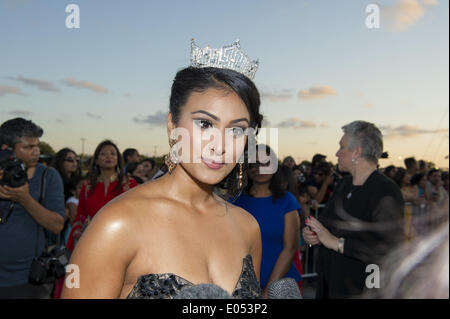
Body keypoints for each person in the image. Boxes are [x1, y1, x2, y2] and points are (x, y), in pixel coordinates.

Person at [62, 40, 264, 299]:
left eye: (236, 130)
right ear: (172, 125)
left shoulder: (248, 228)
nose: (220, 146)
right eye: (205, 124)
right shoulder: (118, 225)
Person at [303, 120, 404, 298]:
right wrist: (313, 235)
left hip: (361, 289)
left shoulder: (385, 191)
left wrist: (337, 243)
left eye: (342, 147)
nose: (337, 153)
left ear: (357, 152)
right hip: (330, 284)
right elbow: (326, 227)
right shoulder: (344, 184)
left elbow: (389, 248)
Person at [0, 118, 65, 298]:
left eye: (38, 145)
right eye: (29, 147)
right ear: (6, 149)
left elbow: (57, 225)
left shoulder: (48, 177)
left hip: (27, 280)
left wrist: (24, 199)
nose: (36, 151)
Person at [232, 144, 301, 298]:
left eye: (265, 162)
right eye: (253, 164)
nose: (259, 168)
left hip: (280, 287)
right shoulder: (234, 202)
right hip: (242, 287)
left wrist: (268, 291)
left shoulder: (287, 201)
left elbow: (290, 248)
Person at [65, 140, 138, 252]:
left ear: (118, 159)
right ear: (97, 160)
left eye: (113, 153)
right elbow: (80, 215)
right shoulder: (87, 186)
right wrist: (78, 231)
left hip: (121, 244)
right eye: (103, 154)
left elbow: (136, 215)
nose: (108, 156)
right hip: (91, 243)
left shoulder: (130, 184)